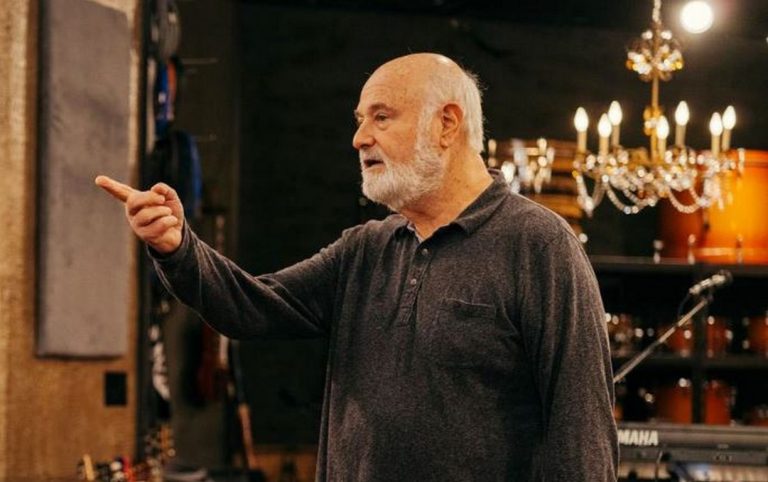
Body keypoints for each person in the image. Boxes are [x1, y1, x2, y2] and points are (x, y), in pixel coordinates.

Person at [97, 53, 618, 481]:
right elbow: (251, 307)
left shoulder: (539, 246)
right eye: (360, 120)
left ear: (447, 124)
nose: (360, 137)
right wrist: (177, 246)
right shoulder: (367, 249)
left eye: (381, 117)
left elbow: (583, 432)